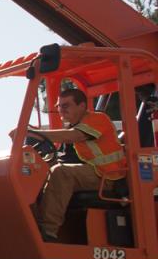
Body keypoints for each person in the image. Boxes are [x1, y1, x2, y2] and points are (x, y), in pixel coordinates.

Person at [14, 88, 127, 241]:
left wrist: (33, 133)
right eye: (59, 106)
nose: (61, 109)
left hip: (108, 177)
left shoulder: (97, 119)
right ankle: (30, 225)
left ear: (82, 106)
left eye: (66, 105)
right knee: (36, 174)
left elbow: (74, 136)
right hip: (94, 173)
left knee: (61, 173)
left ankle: (47, 232)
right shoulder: (73, 127)